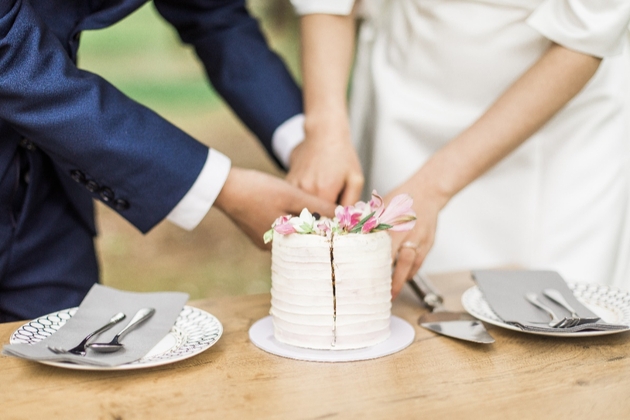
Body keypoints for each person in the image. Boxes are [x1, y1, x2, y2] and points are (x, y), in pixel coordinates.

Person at [0, 0, 335, 322]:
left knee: (68, 372)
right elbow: (13, 61)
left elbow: (214, 14)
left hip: (48, 210)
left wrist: (304, 144)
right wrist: (221, 187)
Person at [286, 1, 630, 296]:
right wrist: (325, 129)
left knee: (555, 323)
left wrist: (432, 187)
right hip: (405, 87)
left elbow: (586, 33)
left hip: (559, 122)